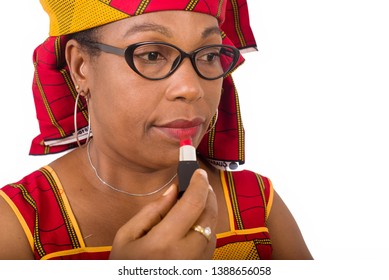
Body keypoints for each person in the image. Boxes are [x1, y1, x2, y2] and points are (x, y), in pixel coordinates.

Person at [0, 0, 312, 260]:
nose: (191, 89)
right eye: (151, 55)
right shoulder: (16, 226)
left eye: (209, 55)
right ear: (81, 66)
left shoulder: (259, 205)